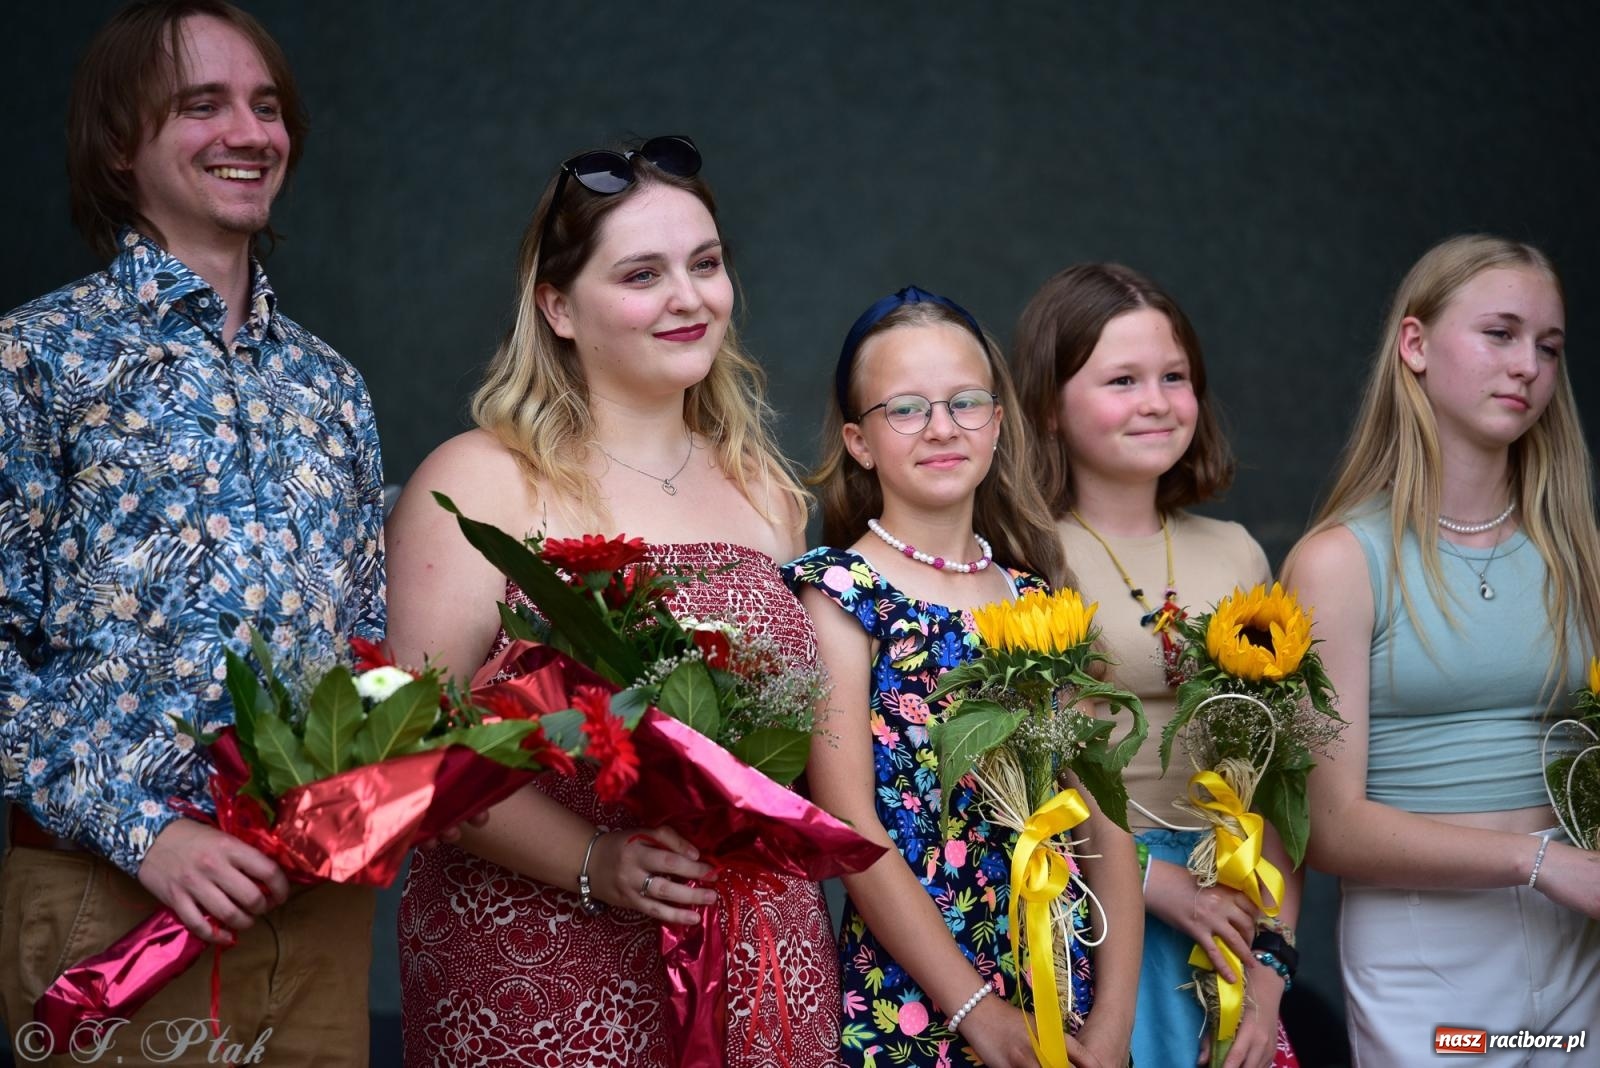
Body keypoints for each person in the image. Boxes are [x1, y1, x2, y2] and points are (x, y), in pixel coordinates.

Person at [388, 135, 841, 1066]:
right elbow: (413, 745)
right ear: (557, 306)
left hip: (756, 957)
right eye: (643, 274)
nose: (689, 297)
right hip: (539, 968)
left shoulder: (769, 491)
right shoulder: (479, 482)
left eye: (705, 264)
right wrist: (594, 860)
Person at [0, 1, 384, 1063]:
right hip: (110, 901)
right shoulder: (36, 359)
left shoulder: (330, 386)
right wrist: (147, 834)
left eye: (267, 106)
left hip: (312, 910)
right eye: (202, 106)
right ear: (119, 143)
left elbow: (369, 648)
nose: (249, 133)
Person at [785, 286, 1141, 1068]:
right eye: (906, 409)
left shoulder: (1036, 601)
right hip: (917, 1000)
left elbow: (1102, 818)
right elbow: (851, 823)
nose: (942, 427)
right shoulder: (841, 595)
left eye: (965, 402)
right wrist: (978, 1010)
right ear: (859, 442)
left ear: (998, 423)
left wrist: (1116, 1024)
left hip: (1062, 984)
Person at [1282, 234, 1600, 1063]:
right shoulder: (1339, 561)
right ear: (1415, 345)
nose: (1527, 365)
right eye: (1500, 333)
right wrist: (1542, 863)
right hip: (1430, 953)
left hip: (1579, 942)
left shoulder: (1578, 553)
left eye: (1549, 347)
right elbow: (1328, 827)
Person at [1011, 263, 1300, 1068]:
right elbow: (1028, 774)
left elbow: (1282, 778)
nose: (1156, 401)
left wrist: (1272, 960)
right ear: (1049, 407)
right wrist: (1152, 881)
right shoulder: (1025, 556)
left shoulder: (1236, 551)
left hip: (1231, 902)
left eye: (1175, 377)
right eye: (1123, 380)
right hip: (1090, 901)